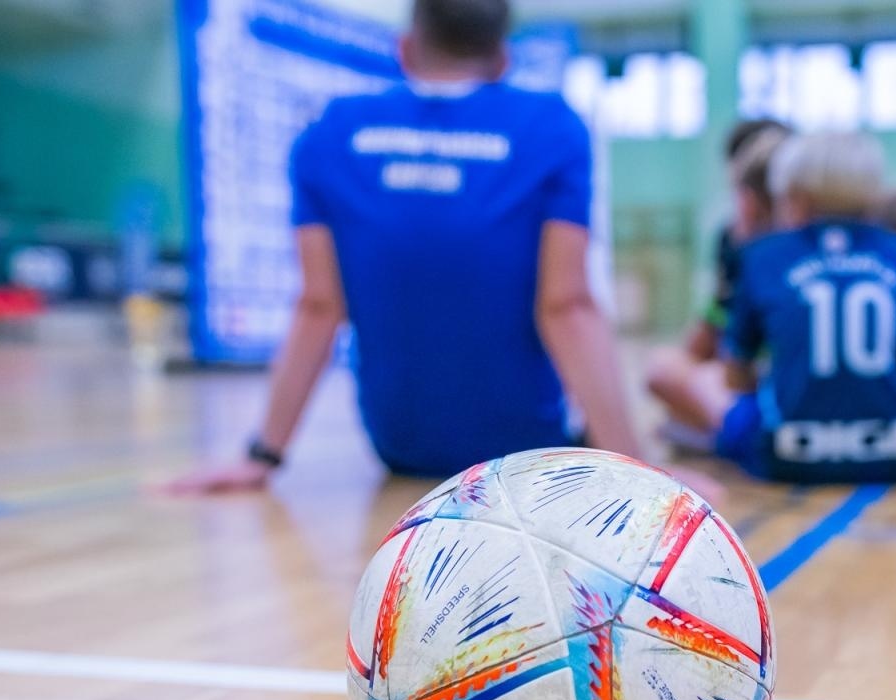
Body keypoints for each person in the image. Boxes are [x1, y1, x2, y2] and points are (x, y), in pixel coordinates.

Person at [171, 0, 653, 493]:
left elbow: (319, 306)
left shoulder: (332, 131)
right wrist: (638, 472)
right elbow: (566, 304)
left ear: (405, 48)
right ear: (503, 58)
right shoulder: (552, 127)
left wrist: (263, 455)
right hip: (521, 448)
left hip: (401, 448)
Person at [650, 132, 896, 485]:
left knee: (686, 373)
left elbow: (735, 380)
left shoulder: (763, 257)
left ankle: (707, 439)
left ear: (797, 198)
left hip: (781, 456)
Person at [648, 120, 790, 440]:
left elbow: (726, 365)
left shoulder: (752, 250)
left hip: (776, 394)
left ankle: (733, 439)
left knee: (666, 370)